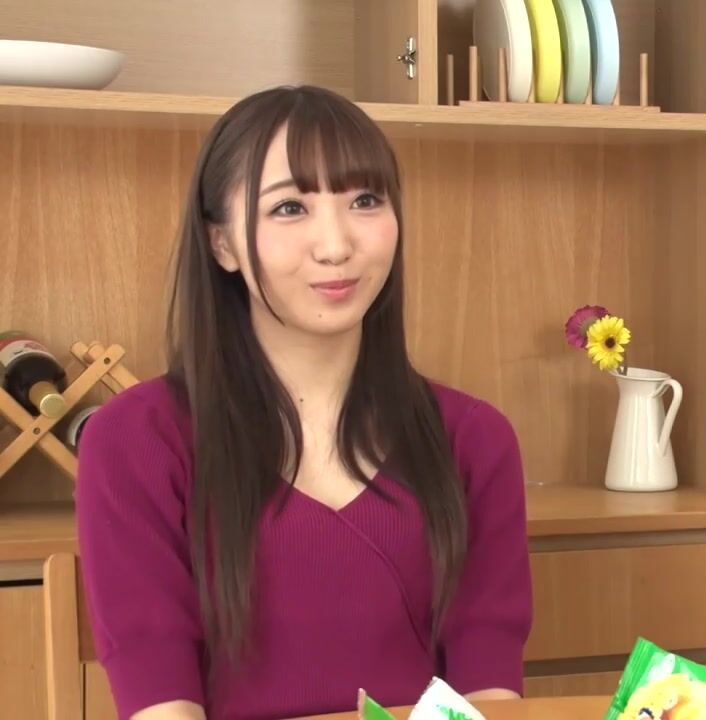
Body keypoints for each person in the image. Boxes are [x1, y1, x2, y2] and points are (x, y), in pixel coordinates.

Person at [75, 85, 533, 720]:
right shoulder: (135, 440)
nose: (336, 245)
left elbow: (490, 692)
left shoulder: (475, 439)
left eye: (365, 200)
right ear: (222, 244)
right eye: (290, 207)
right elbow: (159, 697)